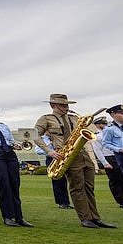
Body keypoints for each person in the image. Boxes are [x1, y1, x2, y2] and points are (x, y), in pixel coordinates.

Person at [34, 94, 115, 228]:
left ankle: (95, 218)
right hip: (66, 155)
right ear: (53, 105)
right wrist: (49, 151)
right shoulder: (46, 119)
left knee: (89, 187)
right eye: (63, 105)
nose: (66, 107)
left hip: (83, 154)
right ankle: (85, 218)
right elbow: (35, 135)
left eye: (67, 105)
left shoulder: (74, 117)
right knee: (77, 187)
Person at [92, 117, 123, 207]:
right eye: (103, 123)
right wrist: (105, 163)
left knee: (122, 179)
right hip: (109, 158)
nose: (105, 125)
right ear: (98, 125)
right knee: (115, 180)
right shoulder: (97, 136)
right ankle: (121, 201)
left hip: (118, 156)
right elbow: (97, 151)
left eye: (105, 123)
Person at [36, 133, 71, 208]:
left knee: (64, 181)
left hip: (60, 159)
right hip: (51, 159)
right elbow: (38, 150)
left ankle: (66, 202)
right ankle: (60, 202)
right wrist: (50, 150)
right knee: (56, 182)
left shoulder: (57, 136)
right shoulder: (42, 139)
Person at [101, 104, 123, 174]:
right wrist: (119, 149)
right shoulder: (109, 129)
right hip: (121, 155)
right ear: (113, 114)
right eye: (121, 113)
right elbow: (105, 143)